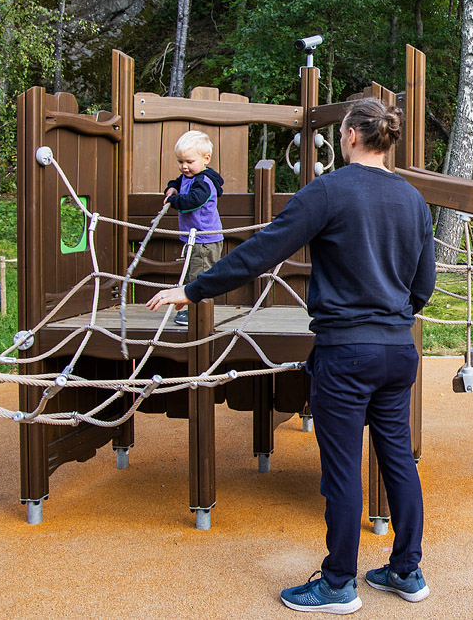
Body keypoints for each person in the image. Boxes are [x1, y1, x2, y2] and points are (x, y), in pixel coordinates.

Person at [146, 99, 436, 615]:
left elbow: (261, 251)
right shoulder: (412, 199)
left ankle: (338, 584)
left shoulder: (327, 190)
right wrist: (391, 319)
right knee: (397, 458)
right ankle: (405, 570)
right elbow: (424, 285)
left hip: (346, 352)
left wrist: (192, 291)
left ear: (348, 136)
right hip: (397, 348)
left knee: (344, 467)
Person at [163, 130, 226, 326]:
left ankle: (199, 312)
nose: (184, 167)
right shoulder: (189, 176)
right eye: (180, 162)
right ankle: (194, 308)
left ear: (206, 159)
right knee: (192, 274)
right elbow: (178, 181)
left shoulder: (204, 182)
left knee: (201, 275)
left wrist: (173, 200)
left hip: (205, 241)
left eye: (189, 162)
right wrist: (171, 188)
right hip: (194, 240)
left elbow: (193, 201)